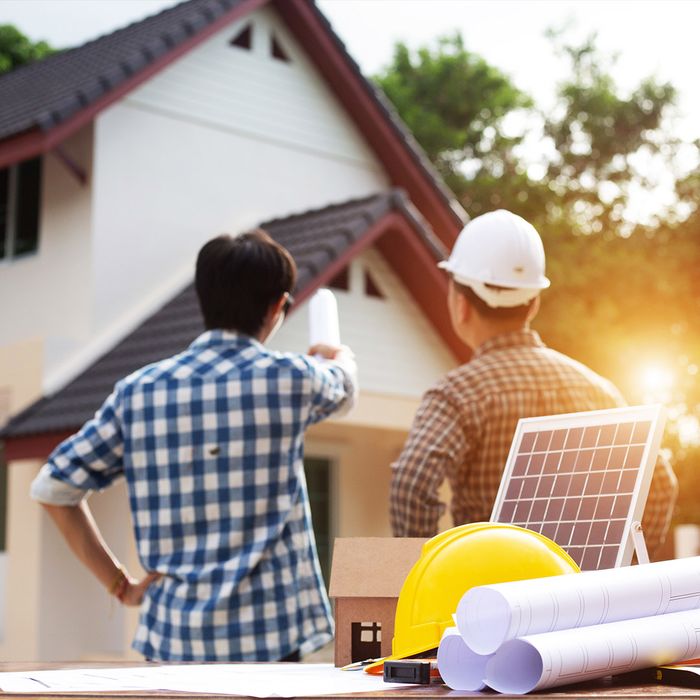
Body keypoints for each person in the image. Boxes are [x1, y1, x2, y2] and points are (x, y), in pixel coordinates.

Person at [30, 230, 357, 662]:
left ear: (204, 298)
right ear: (277, 306)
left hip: (172, 644)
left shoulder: (137, 392)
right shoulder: (292, 379)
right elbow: (346, 388)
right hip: (272, 641)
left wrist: (119, 585)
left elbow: (53, 489)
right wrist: (337, 354)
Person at [390, 209, 677, 556]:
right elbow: (660, 483)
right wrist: (622, 559)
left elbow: (411, 482)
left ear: (461, 305)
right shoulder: (598, 390)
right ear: (534, 302)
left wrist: (424, 572)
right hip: (581, 597)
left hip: (488, 592)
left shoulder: (457, 393)